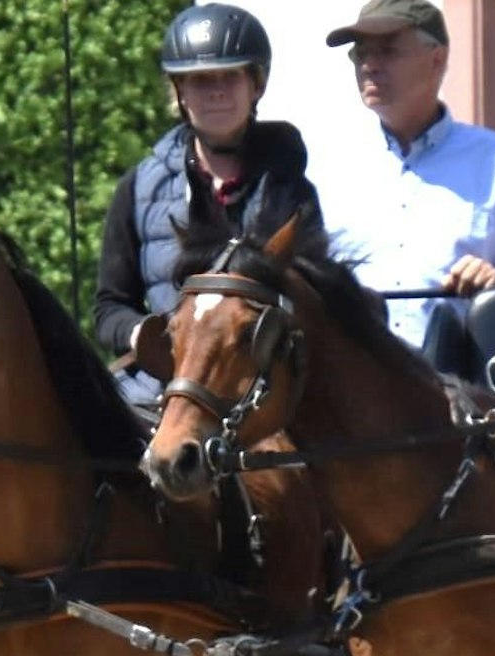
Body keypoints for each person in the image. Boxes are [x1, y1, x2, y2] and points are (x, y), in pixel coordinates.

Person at [92, 3, 326, 408]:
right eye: (200, 80)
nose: (216, 91)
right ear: (179, 91)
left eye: (230, 77)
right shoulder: (138, 187)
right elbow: (109, 307)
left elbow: (312, 303)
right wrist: (142, 335)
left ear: (256, 85)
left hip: (257, 402)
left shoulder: (292, 190)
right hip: (159, 399)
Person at [321, 0, 495, 355]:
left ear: (437, 59)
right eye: (361, 54)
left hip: (465, 389)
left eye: (387, 51)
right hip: (355, 391)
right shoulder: (327, 163)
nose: (370, 66)